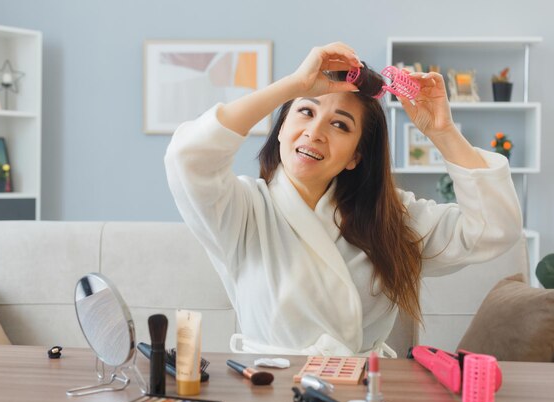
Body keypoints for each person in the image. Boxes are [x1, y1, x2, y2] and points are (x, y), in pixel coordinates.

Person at [164, 42, 522, 357]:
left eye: (340, 125)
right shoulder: (243, 210)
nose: (315, 132)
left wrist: (442, 132)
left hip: (362, 393)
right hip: (268, 387)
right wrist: (294, 85)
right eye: (305, 111)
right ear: (281, 129)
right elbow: (188, 157)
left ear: (355, 156)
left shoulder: (390, 219)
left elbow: (493, 230)